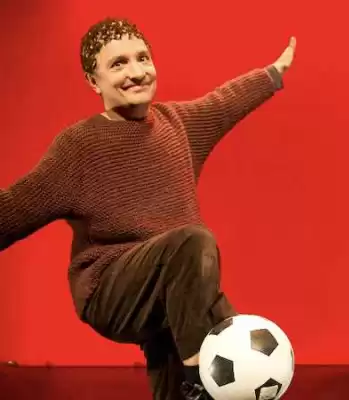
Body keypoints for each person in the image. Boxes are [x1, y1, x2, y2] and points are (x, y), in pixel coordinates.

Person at [0, 17, 296, 400]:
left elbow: (224, 102)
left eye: (142, 58)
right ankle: (198, 375)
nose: (137, 72)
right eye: (118, 64)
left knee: (223, 332)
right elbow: (14, 209)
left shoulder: (178, 125)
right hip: (112, 289)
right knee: (192, 244)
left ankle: (189, 380)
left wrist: (272, 75)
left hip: (177, 288)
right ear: (94, 81)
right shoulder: (79, 146)